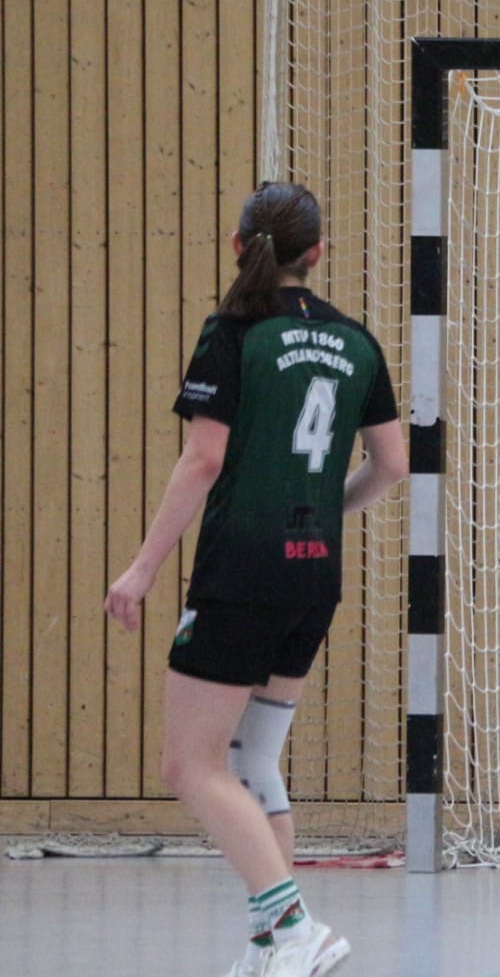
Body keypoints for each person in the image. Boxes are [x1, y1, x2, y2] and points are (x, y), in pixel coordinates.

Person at [105, 182, 408, 977]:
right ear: (317, 254)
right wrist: (322, 510)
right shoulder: (356, 341)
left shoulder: (234, 331)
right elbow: (392, 464)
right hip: (313, 577)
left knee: (188, 766)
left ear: (240, 247)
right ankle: (273, 942)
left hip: (241, 572)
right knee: (253, 760)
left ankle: (296, 925)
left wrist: (142, 568)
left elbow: (203, 459)